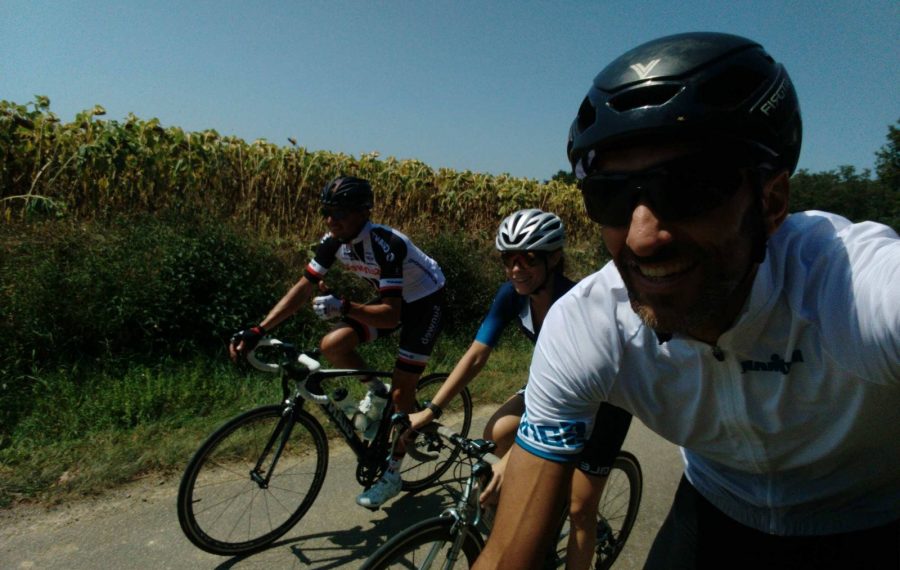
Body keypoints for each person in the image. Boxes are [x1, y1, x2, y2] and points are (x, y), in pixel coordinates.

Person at [474, 31, 900, 570]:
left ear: (771, 202)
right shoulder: (587, 321)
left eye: (689, 187)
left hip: (876, 521)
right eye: (609, 195)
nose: (642, 236)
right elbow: (510, 555)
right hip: (718, 510)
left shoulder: (850, 286)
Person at [408, 208, 632, 570]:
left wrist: (514, 462)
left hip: (604, 400)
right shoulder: (512, 295)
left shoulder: (576, 306)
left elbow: (567, 410)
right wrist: (432, 409)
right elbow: (477, 355)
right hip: (555, 387)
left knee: (580, 509)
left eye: (527, 258)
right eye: (508, 259)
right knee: (495, 433)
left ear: (555, 258)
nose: (516, 268)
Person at [230, 175, 447, 509]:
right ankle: (377, 392)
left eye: (340, 213)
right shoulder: (333, 241)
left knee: (404, 392)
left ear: (362, 212)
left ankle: (392, 473)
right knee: (333, 345)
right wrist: (259, 329)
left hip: (425, 304)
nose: (331, 220)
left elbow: (390, 316)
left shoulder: (386, 243)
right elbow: (303, 287)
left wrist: (344, 306)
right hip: (391, 302)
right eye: (326, 212)